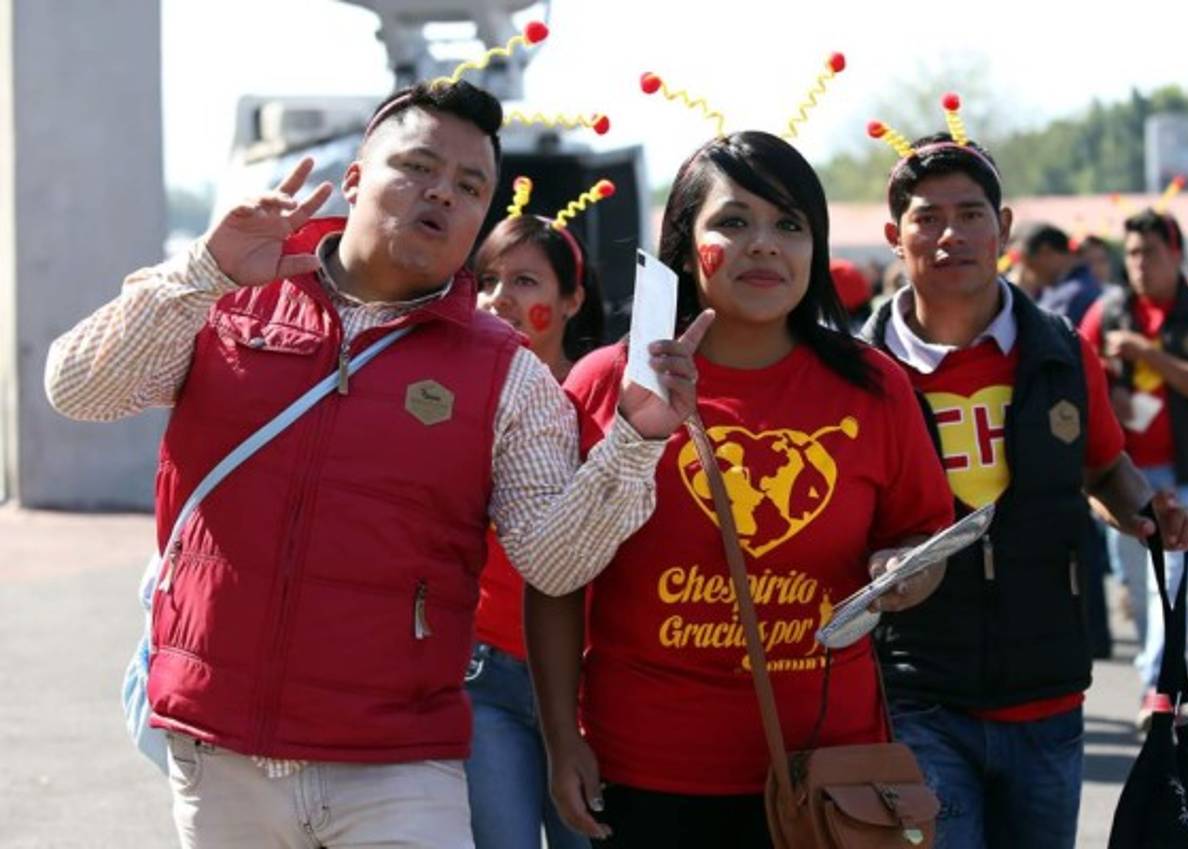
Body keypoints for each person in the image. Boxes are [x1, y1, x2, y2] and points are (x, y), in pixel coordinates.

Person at [44, 79, 711, 849]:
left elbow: (552, 561)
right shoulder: (231, 295)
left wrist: (635, 439)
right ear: (355, 179)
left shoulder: (508, 373)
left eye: (469, 186)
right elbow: (78, 389)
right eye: (418, 168)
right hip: (221, 749)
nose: (442, 195)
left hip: (399, 762)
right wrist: (201, 271)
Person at [527, 130, 956, 848]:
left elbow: (925, 540)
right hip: (646, 777)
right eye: (732, 221)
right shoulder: (607, 382)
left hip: (830, 780)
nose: (764, 244)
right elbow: (555, 580)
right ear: (684, 242)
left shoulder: (875, 385)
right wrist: (559, 738)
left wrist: (904, 574)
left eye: (790, 224)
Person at [860, 128, 1188, 849]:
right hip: (914, 692)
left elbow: (1103, 465)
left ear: (1004, 227)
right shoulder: (857, 370)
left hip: (1047, 691)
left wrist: (1147, 510)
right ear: (896, 236)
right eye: (927, 217)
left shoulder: (1058, 348)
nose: (950, 233)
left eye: (971, 212)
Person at [465, 200, 607, 849]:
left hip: (593, 688)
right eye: (488, 280)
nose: (499, 298)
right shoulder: (449, 403)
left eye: (525, 281)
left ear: (573, 299)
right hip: (481, 679)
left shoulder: (606, 405)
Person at [1079, 208, 1188, 728]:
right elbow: (1079, 370)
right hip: (1118, 476)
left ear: (1176, 254)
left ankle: (1157, 688)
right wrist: (1107, 388)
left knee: (1174, 576)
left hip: (1183, 471)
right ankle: (1158, 677)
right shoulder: (1109, 309)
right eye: (1133, 253)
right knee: (1139, 589)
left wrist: (1148, 354)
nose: (1140, 264)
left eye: (1152, 253)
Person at [1016, 222, 1103, 324]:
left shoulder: (1075, 293)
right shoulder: (1057, 288)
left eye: (1028, 265)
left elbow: (1043, 333)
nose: (1027, 274)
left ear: (1045, 252)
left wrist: (1021, 296)